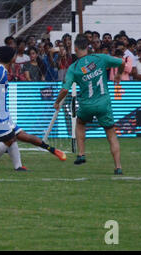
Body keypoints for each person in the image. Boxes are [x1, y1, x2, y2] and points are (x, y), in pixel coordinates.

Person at [53, 34, 125, 175]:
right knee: (111, 134)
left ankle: (81, 153)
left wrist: (57, 102)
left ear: (75, 48)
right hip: (104, 103)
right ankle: (118, 167)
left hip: (87, 105)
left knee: (80, 124)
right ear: (88, 46)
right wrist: (118, 75)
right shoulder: (100, 58)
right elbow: (121, 62)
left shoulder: (73, 68)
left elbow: (65, 89)